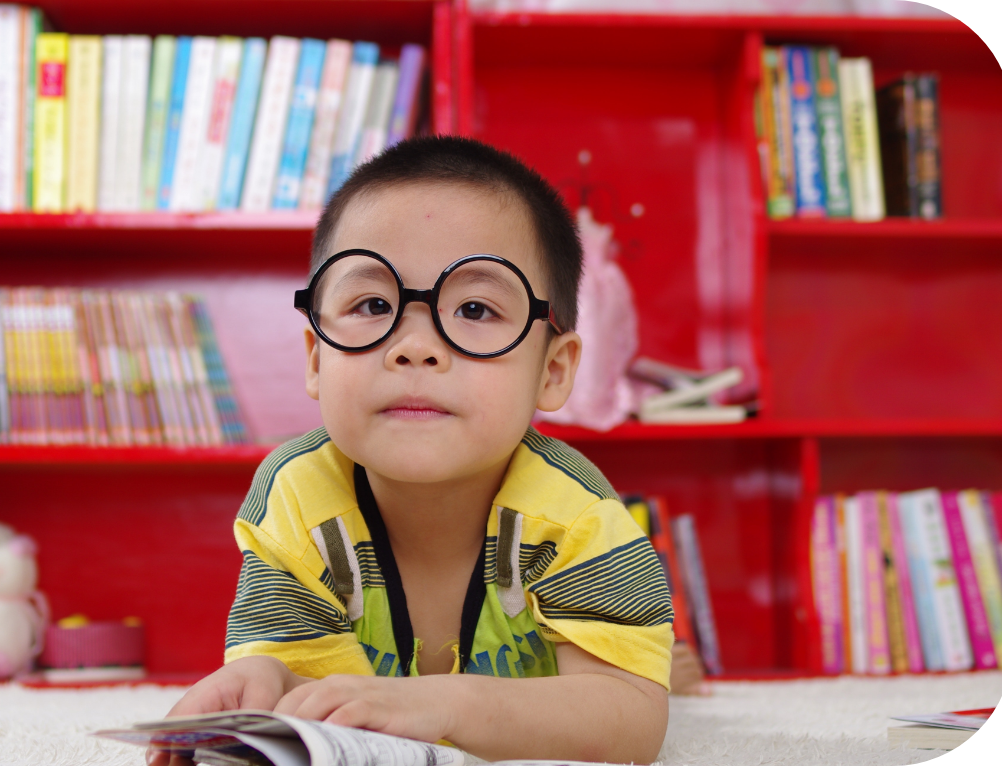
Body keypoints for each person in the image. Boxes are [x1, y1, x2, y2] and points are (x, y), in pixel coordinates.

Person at [153, 136, 673, 765]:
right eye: (373, 305)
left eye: (475, 308)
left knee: (655, 672)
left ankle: (672, 660)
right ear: (316, 357)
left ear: (553, 371)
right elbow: (327, 700)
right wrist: (274, 686)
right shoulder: (296, 496)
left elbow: (631, 719)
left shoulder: (576, 512)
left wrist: (446, 705)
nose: (416, 347)